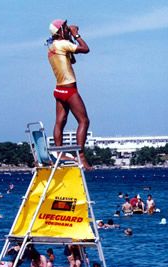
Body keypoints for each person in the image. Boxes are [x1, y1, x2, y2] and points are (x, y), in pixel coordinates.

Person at [47, 19, 92, 170]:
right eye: (65, 27)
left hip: (58, 90)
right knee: (84, 121)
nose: (67, 28)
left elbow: (72, 61)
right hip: (69, 90)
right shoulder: (62, 44)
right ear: (60, 31)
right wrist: (76, 35)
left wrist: (70, 38)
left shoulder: (52, 46)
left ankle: (59, 153)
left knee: (60, 121)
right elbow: (86, 49)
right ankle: (81, 157)